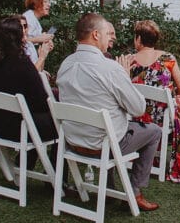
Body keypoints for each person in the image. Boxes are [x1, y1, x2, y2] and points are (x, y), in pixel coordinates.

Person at [56, 13, 162, 211]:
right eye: (107, 33)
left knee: (110, 125)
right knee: (154, 131)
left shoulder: (66, 64)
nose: (110, 38)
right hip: (103, 145)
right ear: (96, 35)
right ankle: (135, 192)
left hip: (73, 142)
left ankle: (110, 188)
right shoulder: (110, 68)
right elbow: (138, 108)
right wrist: (126, 76)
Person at [121, 19, 180, 185]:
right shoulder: (167, 58)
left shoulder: (129, 61)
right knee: (179, 102)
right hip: (163, 118)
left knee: (178, 103)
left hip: (138, 117)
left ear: (138, 39)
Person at [0, 16, 57, 167]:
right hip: (22, 128)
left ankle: (25, 163)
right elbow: (41, 101)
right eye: (23, 31)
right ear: (18, 38)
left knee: (37, 116)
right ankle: (58, 180)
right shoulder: (22, 64)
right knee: (61, 122)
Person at [23, 0, 55, 70]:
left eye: (48, 2)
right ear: (36, 3)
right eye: (45, 2)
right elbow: (19, 41)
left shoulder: (35, 20)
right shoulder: (28, 17)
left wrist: (44, 42)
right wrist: (39, 39)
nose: (49, 5)